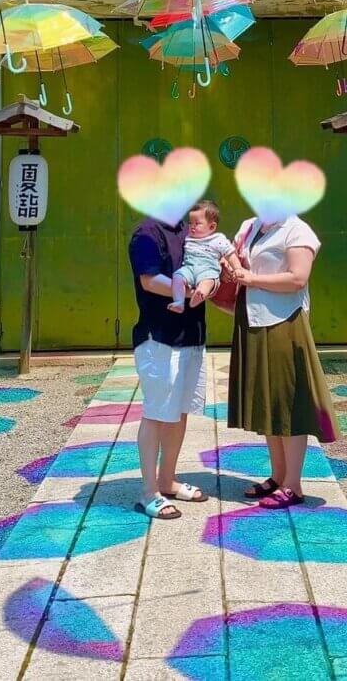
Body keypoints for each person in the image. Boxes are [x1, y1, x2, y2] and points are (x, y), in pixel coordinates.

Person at [226, 215, 339, 509]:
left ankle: (293, 483)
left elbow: (297, 278)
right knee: (270, 403)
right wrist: (232, 269)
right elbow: (237, 262)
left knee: (288, 403)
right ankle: (278, 475)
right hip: (253, 319)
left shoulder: (297, 230)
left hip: (283, 321)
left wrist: (251, 279)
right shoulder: (250, 226)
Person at [129, 216, 210, 520]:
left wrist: (212, 282)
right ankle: (149, 492)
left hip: (191, 335)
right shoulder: (147, 233)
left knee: (180, 411)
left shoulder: (190, 231)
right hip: (159, 339)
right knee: (156, 413)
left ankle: (168, 480)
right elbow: (149, 280)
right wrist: (191, 293)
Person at [168, 201, 240, 313]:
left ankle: (200, 294)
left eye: (197, 223)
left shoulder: (218, 239)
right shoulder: (188, 238)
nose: (192, 227)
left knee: (207, 282)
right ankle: (179, 302)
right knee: (177, 277)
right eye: (190, 223)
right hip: (189, 268)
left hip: (208, 269)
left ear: (212, 227)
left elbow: (230, 254)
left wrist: (237, 268)